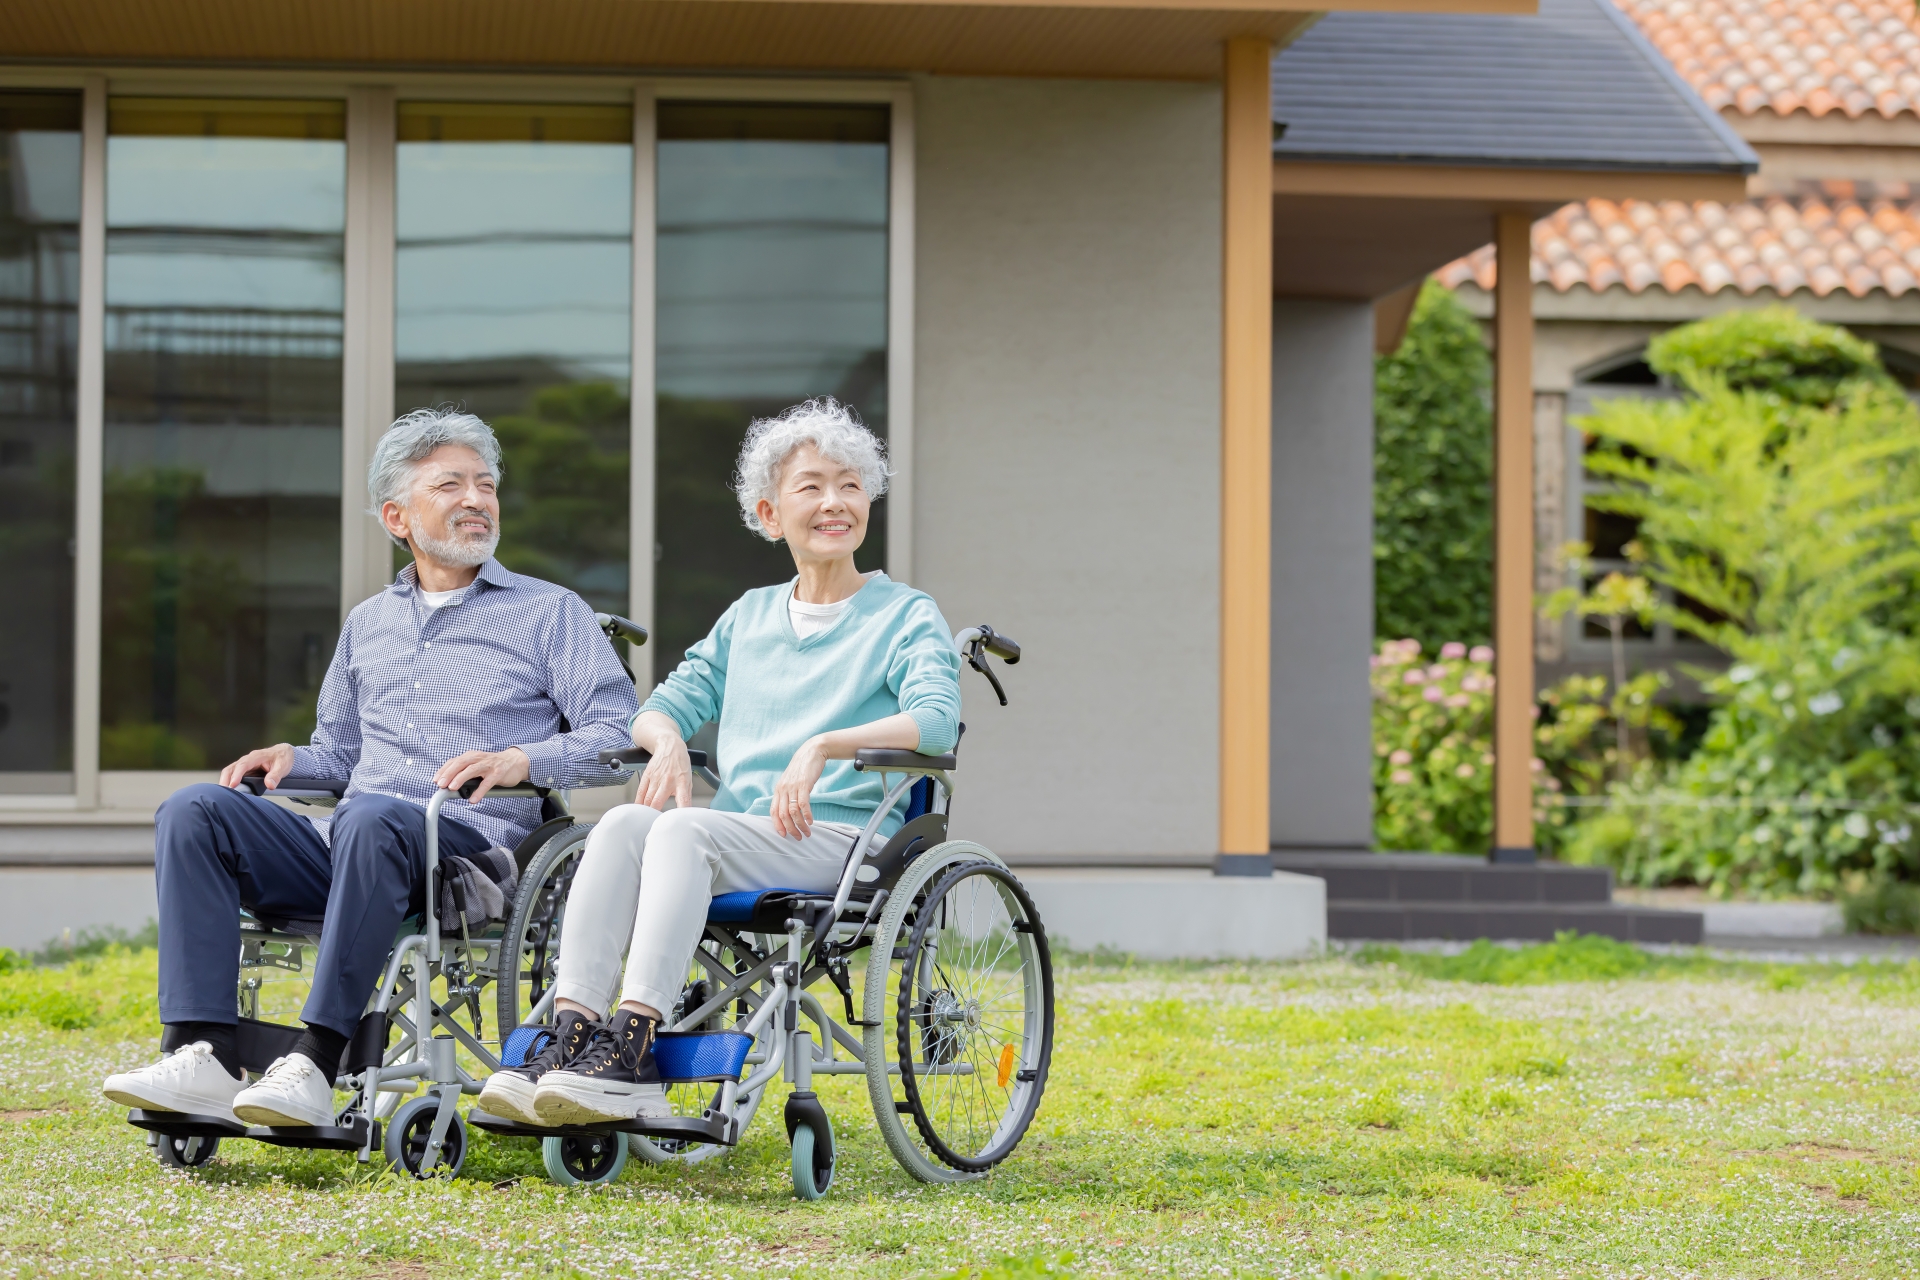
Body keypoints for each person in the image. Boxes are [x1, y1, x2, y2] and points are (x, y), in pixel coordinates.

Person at [102, 408, 637, 1127]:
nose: (476, 499)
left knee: (372, 815)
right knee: (195, 810)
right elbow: (341, 755)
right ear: (397, 517)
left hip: (464, 856)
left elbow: (619, 734)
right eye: (450, 485)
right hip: (353, 841)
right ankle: (203, 1051)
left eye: (485, 485)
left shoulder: (550, 613)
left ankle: (317, 1060)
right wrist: (293, 759)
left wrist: (523, 759)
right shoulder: (368, 622)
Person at [476, 398, 961, 1126]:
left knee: (681, 829)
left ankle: (632, 1048)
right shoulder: (749, 616)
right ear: (770, 515)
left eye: (851, 485)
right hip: (746, 836)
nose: (835, 502)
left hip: (846, 841)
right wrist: (667, 739)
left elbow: (936, 719)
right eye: (811, 487)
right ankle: (572, 1036)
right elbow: (662, 704)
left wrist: (823, 744)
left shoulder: (905, 614)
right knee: (622, 825)